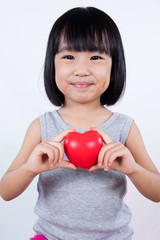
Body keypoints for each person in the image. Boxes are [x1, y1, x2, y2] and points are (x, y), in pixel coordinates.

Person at [0, 6, 160, 240]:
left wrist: (133, 169)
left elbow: (157, 193)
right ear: (52, 65)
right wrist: (29, 169)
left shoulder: (125, 127)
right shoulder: (41, 126)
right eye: (68, 57)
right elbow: (5, 191)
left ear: (114, 67)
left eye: (96, 57)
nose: (82, 70)